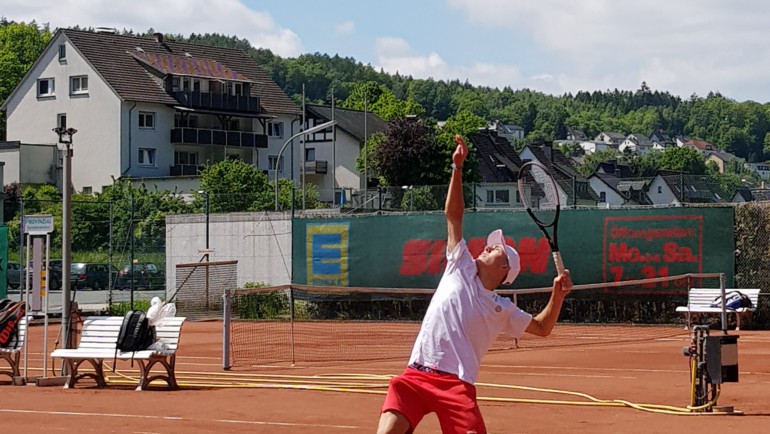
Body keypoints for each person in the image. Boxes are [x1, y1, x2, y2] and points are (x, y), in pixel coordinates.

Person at [376, 135, 573, 434]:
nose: (487, 247)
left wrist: (557, 296)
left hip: (456, 386)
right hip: (415, 376)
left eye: (496, 250)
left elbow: (543, 328)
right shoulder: (460, 266)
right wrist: (457, 168)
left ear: (506, 269)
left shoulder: (502, 308)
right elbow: (453, 217)